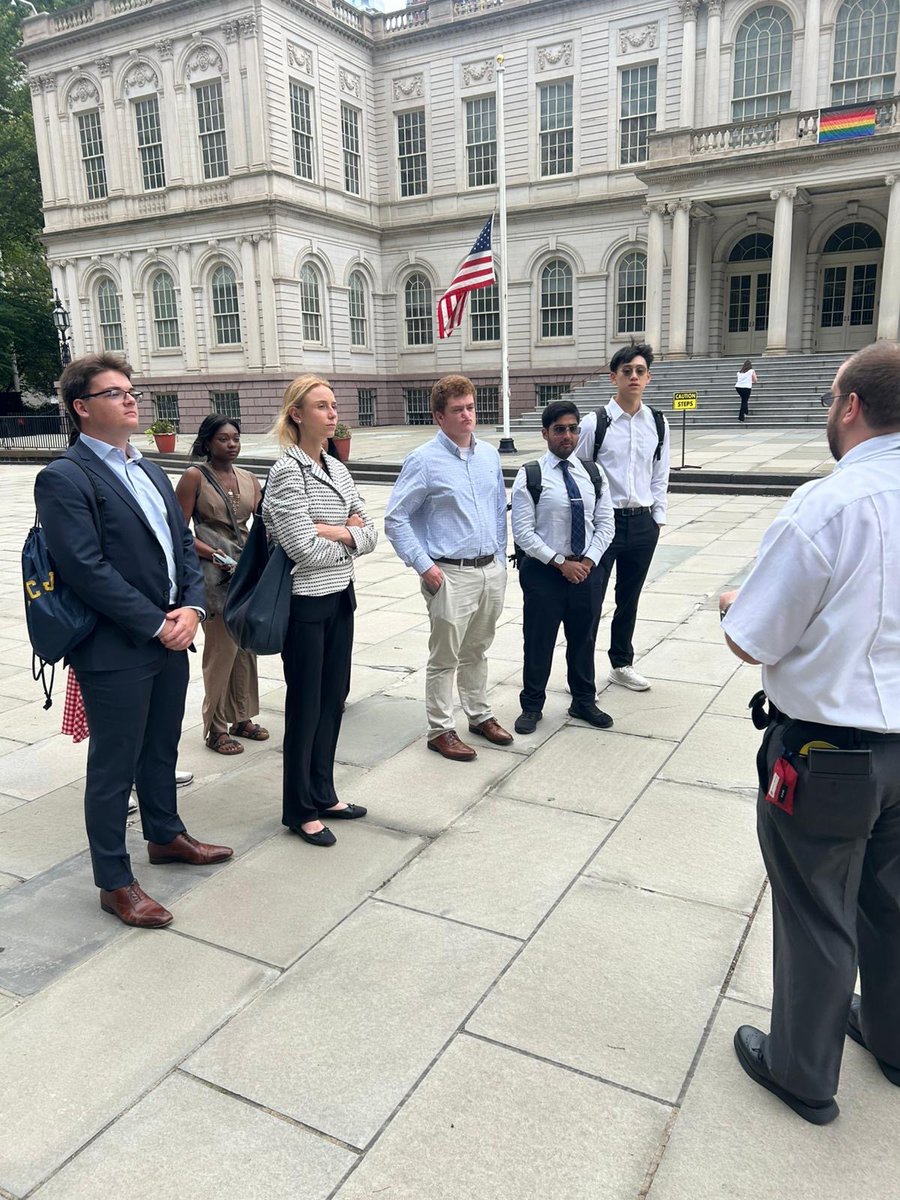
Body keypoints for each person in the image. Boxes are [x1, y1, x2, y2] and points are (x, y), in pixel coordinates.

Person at [719, 341, 900, 1126]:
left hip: (831, 752)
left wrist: (734, 604)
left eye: (832, 397)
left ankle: (801, 1070)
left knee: (817, 907)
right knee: (893, 903)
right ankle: (892, 1038)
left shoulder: (827, 503)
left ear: (850, 404)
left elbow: (755, 638)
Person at [34, 353, 232, 929]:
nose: (131, 400)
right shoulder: (65, 477)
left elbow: (181, 545)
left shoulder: (147, 470)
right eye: (115, 392)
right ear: (81, 408)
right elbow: (85, 569)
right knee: (114, 765)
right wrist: (155, 622)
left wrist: (192, 608)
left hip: (172, 636)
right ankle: (114, 881)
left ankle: (166, 836)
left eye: (131, 391)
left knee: (161, 749)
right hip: (116, 646)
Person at [263, 375, 377, 847]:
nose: (332, 415)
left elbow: (371, 530)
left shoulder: (336, 466)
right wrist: (344, 534)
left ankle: (323, 790)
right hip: (305, 605)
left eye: (334, 406)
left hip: (340, 598)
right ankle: (299, 808)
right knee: (305, 706)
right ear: (297, 414)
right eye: (321, 407)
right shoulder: (288, 471)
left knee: (334, 699)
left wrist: (336, 532)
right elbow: (300, 548)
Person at [384, 374, 512, 761]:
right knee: (445, 656)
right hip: (449, 573)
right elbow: (396, 519)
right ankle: (440, 729)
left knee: (478, 649)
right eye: (457, 410)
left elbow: (495, 509)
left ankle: (479, 714)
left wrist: (501, 561)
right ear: (439, 416)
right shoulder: (423, 461)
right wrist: (426, 567)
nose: (467, 415)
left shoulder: (489, 455)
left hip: (490, 570)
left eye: (471, 407)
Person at [511, 400, 615, 734]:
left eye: (572, 429)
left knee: (583, 639)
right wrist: (560, 563)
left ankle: (584, 700)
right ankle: (532, 705)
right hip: (545, 572)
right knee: (538, 639)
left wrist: (587, 561)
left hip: (586, 571)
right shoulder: (531, 475)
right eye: (559, 430)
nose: (567, 436)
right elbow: (524, 532)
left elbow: (605, 523)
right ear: (545, 433)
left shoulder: (593, 474)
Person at [575, 342, 670, 693]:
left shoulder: (658, 423)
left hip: (643, 523)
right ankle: (580, 671)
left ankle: (621, 663)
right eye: (627, 371)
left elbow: (660, 473)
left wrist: (658, 517)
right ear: (613, 377)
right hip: (605, 525)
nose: (633, 376)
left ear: (648, 378)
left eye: (640, 371)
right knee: (590, 599)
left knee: (629, 598)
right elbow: (579, 473)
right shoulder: (594, 423)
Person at [175, 414, 268, 756]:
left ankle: (241, 717)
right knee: (221, 651)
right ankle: (215, 727)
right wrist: (211, 553)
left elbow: (263, 523)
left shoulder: (248, 478)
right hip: (211, 575)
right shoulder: (194, 477)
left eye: (236, 439)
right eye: (223, 439)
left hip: (245, 572)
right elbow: (178, 532)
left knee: (246, 648)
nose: (231, 445)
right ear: (207, 442)